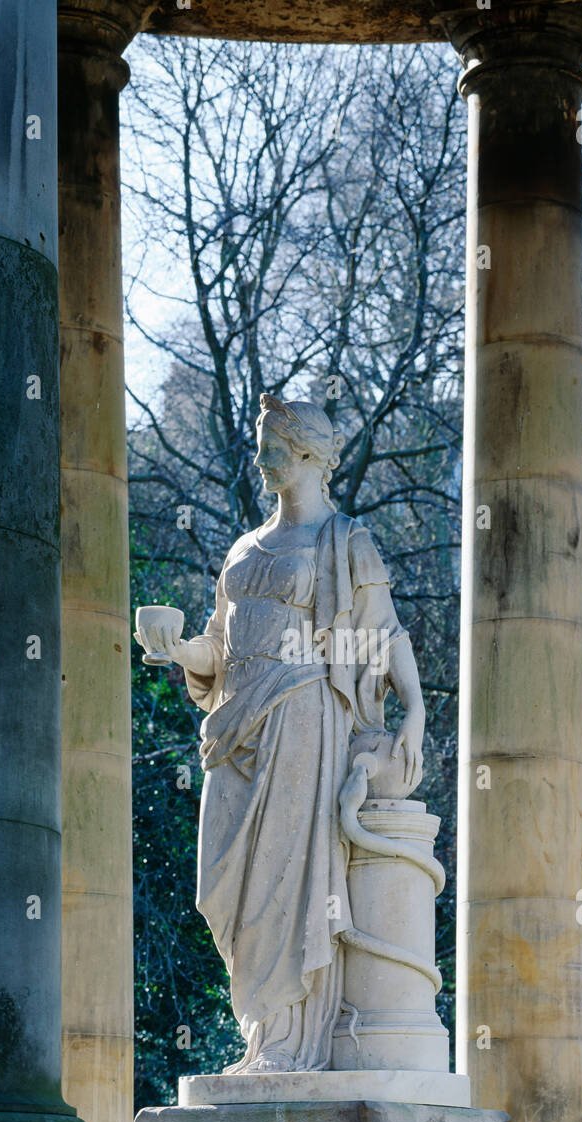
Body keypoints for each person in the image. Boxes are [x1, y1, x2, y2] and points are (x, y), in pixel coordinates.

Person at [155, 393, 425, 1073]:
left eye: (270, 446)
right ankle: (262, 1037)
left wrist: (414, 711)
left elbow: (384, 634)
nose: (259, 459)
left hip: (303, 714)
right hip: (234, 724)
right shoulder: (244, 547)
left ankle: (285, 1045)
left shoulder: (344, 541)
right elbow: (216, 650)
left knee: (286, 878)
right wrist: (173, 650)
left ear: (306, 452)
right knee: (220, 883)